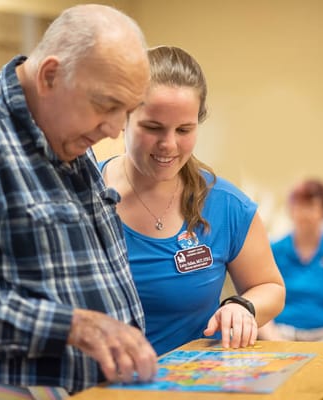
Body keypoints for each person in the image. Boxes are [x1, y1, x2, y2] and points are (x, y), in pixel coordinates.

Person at [0, 4, 158, 398]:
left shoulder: (65, 132)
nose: (114, 129)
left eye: (127, 111)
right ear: (50, 75)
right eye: (106, 106)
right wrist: (73, 326)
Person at [99, 45, 286, 356]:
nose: (168, 145)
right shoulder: (81, 193)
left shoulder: (227, 206)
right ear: (123, 117)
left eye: (184, 129)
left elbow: (271, 288)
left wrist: (243, 307)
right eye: (153, 127)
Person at [257, 178, 323, 399]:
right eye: (299, 205)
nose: (304, 213)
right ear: (290, 209)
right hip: (281, 336)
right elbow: (259, 304)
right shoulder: (274, 250)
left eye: (311, 206)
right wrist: (277, 342)